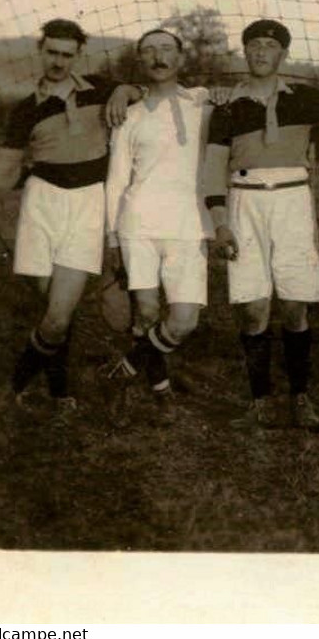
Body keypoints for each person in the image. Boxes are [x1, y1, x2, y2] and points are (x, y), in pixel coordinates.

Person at [0, 19, 138, 419]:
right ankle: (60, 393)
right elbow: (2, 178)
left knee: (57, 315)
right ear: (41, 51)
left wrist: (125, 90)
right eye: (51, 52)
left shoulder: (101, 88)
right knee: (58, 310)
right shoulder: (25, 111)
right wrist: (34, 168)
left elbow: (139, 92)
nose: (58, 61)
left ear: (78, 56)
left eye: (66, 54)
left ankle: (15, 386)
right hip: (42, 206)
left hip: (89, 203)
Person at [202, 19, 319, 430]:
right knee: (254, 309)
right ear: (245, 52)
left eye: (269, 46)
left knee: (295, 305)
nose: (260, 52)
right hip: (245, 202)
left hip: (293, 199)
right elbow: (212, 168)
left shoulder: (311, 99)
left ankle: (301, 397)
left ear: (283, 54)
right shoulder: (225, 106)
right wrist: (220, 224)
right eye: (253, 45)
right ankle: (259, 400)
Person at [102, 29, 214, 426]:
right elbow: (116, 180)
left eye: (166, 49)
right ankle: (160, 393)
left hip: (189, 224)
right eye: (148, 51)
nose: (158, 57)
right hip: (138, 225)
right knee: (146, 314)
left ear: (181, 58)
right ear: (140, 62)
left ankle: (123, 371)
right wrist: (112, 236)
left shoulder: (203, 102)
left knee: (184, 320)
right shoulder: (128, 115)